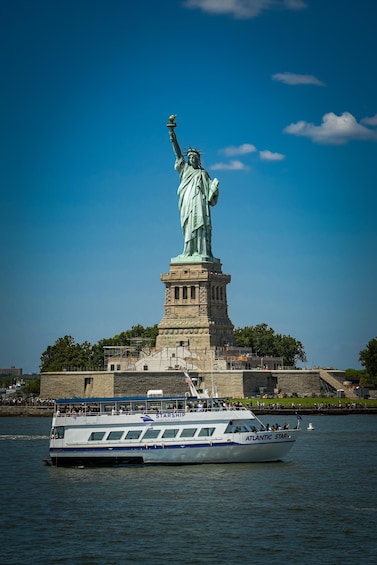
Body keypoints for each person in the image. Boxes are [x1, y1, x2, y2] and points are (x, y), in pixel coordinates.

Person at [169, 126, 219, 261]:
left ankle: (202, 252)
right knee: (189, 225)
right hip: (187, 202)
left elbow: (211, 196)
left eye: (193, 157)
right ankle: (188, 251)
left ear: (198, 159)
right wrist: (172, 136)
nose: (191, 159)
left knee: (201, 224)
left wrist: (214, 190)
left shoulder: (203, 174)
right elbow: (178, 154)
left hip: (200, 204)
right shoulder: (185, 170)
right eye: (189, 157)